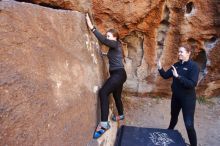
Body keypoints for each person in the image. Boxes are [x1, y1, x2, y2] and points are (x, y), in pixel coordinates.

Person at [85, 13, 127, 139]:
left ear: (114, 38)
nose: (107, 38)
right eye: (107, 36)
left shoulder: (115, 44)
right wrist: (102, 54)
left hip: (118, 75)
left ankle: (104, 125)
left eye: (109, 36)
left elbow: (103, 41)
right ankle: (121, 115)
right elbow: (110, 55)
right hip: (120, 74)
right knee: (116, 96)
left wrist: (92, 27)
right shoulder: (114, 47)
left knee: (103, 93)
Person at [157, 44, 199, 146]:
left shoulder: (193, 66)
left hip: (188, 99)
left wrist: (178, 76)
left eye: (181, 52)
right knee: (173, 117)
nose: (179, 53)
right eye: (179, 51)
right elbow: (165, 75)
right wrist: (160, 68)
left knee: (189, 125)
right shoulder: (176, 65)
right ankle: (169, 131)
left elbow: (192, 84)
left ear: (188, 53)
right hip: (176, 97)